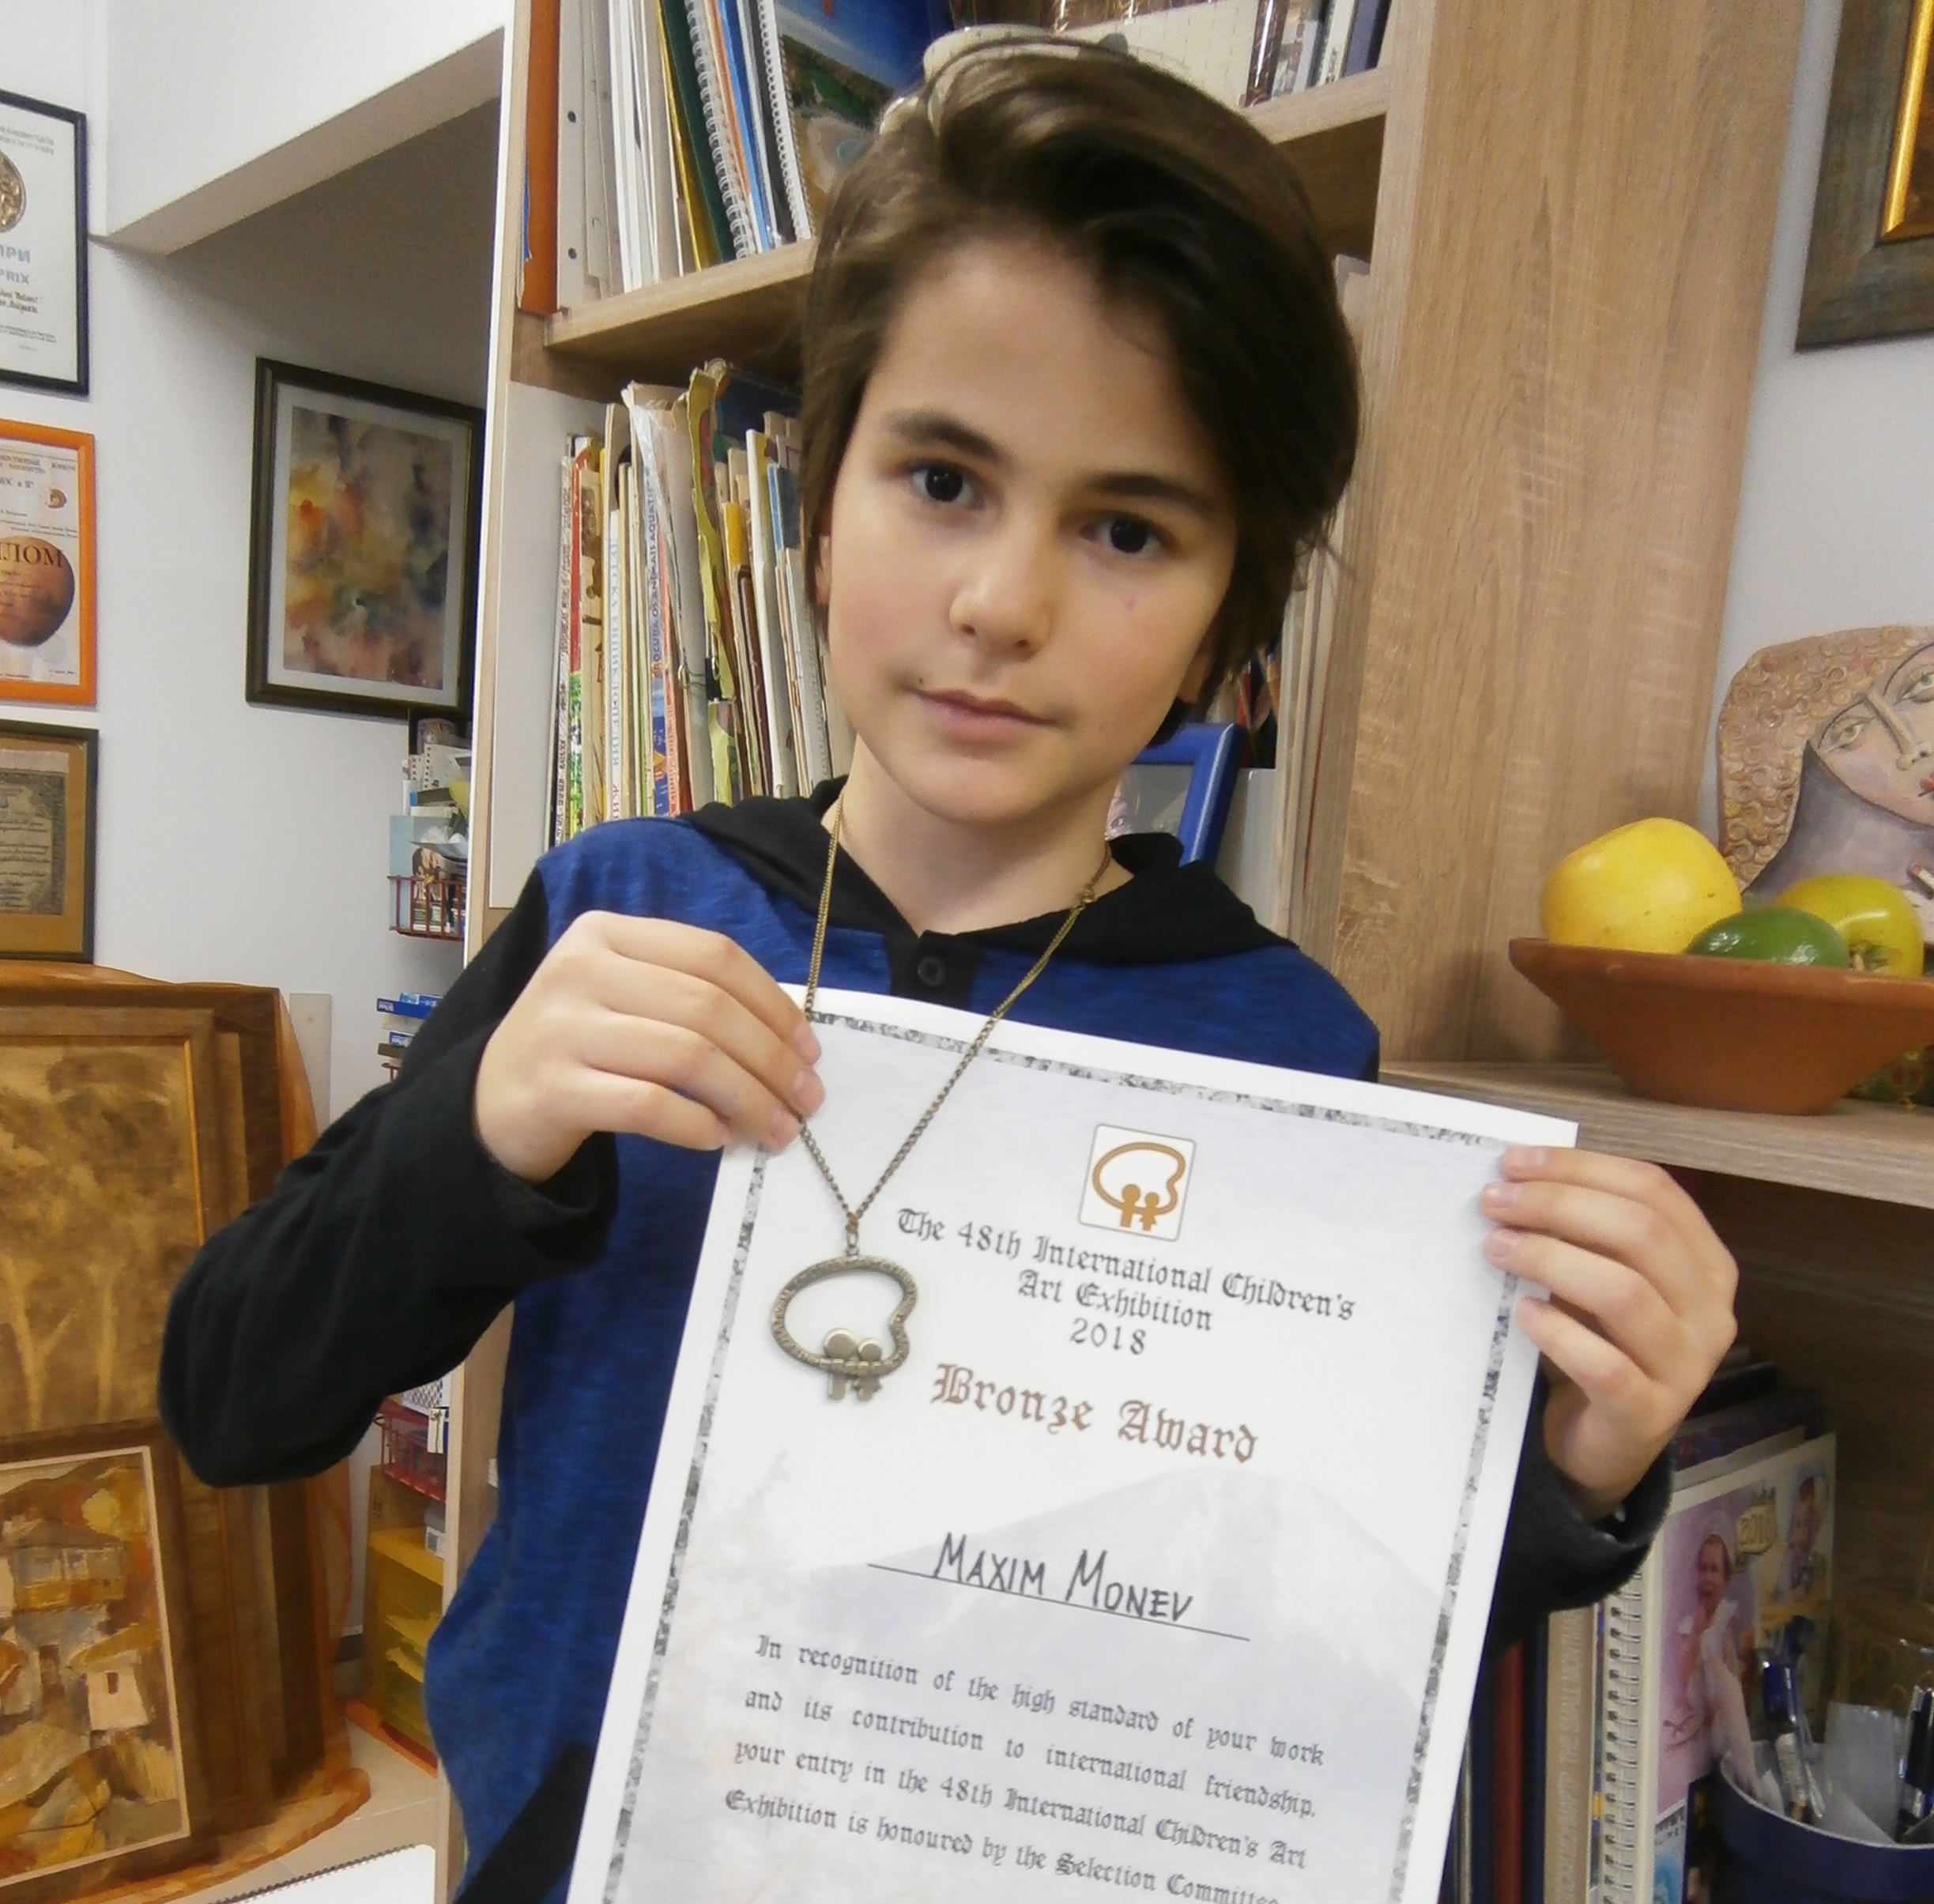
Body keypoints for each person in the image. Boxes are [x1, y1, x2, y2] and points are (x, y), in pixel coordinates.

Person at [159, 43, 1739, 1903]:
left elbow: (1318, 1636)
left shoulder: (1283, 1047)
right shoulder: (627, 909)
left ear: (1227, 620)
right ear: (822, 512)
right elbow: (234, 1391)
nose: (1005, 602)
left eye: (1128, 527)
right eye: (942, 479)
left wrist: (1571, 1473)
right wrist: (485, 1127)